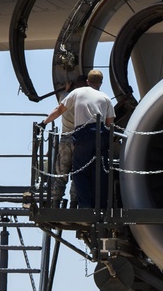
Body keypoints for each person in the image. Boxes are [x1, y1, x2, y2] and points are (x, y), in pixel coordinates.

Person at [41, 69, 115, 209]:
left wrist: (44, 123)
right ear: (101, 83)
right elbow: (109, 124)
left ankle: (58, 202)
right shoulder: (105, 98)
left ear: (87, 82)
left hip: (75, 136)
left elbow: (58, 109)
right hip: (97, 136)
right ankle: (79, 203)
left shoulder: (73, 94)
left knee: (68, 171)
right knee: (92, 171)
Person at [48, 74, 88, 207]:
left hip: (65, 138)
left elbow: (61, 104)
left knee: (61, 172)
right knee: (78, 173)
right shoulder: (88, 101)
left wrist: (66, 88)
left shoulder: (65, 97)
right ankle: (74, 203)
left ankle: (55, 201)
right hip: (80, 139)